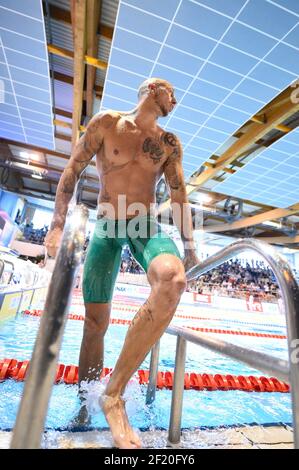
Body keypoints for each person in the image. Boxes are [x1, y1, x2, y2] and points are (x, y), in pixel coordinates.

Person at [45, 77, 200, 449]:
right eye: (170, 92)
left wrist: (190, 246)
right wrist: (57, 224)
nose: (175, 99)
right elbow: (72, 169)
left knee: (172, 279)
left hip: (143, 223)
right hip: (105, 226)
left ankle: (113, 394)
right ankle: (84, 406)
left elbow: (178, 195)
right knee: (95, 322)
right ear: (151, 89)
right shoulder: (107, 123)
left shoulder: (168, 143)